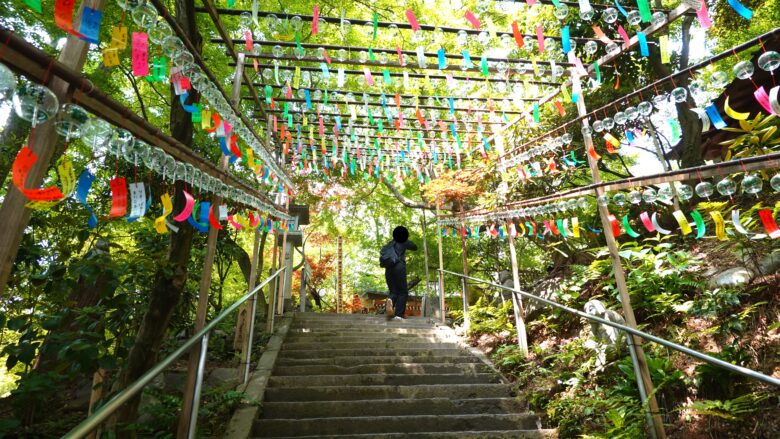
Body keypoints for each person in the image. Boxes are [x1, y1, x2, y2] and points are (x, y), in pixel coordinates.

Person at [384, 226, 418, 320]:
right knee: (403, 291)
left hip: (388, 269)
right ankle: (399, 315)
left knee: (393, 291)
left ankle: (390, 300)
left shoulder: (389, 244)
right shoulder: (403, 241)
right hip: (399, 267)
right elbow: (415, 247)